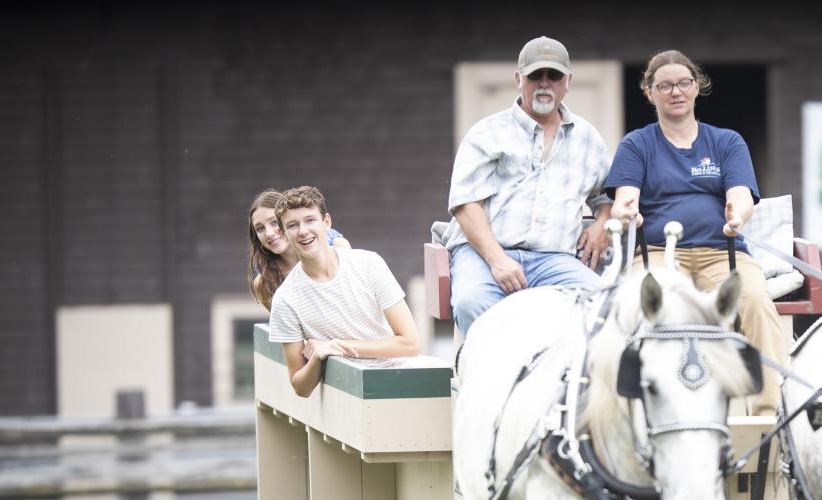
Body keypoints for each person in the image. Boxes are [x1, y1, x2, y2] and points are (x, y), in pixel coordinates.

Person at [606, 49, 788, 414]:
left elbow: (740, 194)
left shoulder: (726, 142)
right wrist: (627, 211)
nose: (676, 92)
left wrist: (738, 213)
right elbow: (624, 199)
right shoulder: (637, 144)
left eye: (684, 83)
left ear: (696, 88)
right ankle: (634, 411)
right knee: (635, 305)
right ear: (650, 91)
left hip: (723, 253)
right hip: (657, 253)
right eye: (666, 85)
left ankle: (769, 410)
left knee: (753, 297)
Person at [443, 36, 612, 335]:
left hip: (555, 259)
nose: (544, 83)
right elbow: (466, 204)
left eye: (554, 75)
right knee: (472, 302)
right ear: (518, 79)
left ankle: (570, 381)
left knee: (604, 305)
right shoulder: (487, 133)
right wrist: (498, 260)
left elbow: (607, 195)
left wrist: (602, 223)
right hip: (485, 254)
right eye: (535, 75)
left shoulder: (589, 138)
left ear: (568, 81)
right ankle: (491, 381)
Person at [267, 186, 420, 397]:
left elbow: (410, 343)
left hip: (399, 383)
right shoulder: (285, 299)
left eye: (310, 220)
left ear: (327, 222)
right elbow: (300, 387)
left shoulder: (369, 263)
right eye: (293, 225)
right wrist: (318, 356)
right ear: (283, 234)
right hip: (346, 396)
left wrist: (339, 347)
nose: (303, 231)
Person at [247, 188, 351, 310]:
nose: (269, 233)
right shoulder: (264, 282)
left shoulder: (337, 246)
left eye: (274, 223)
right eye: (260, 228)